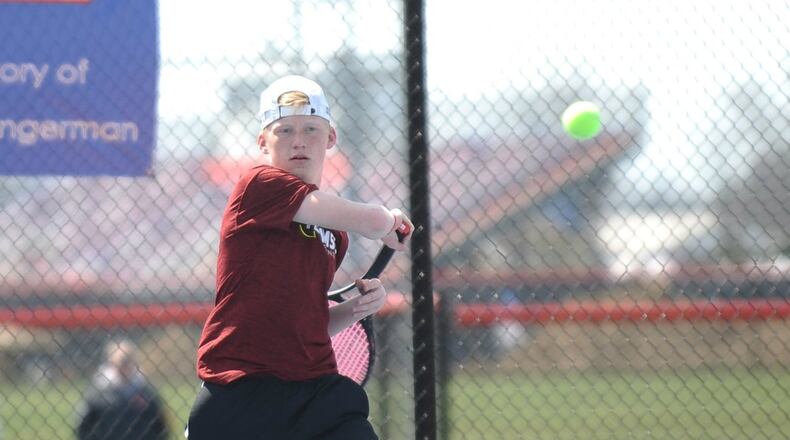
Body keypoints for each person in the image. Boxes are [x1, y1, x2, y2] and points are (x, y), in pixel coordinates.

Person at [186, 74, 412, 439]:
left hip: (316, 393)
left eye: (310, 129)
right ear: (263, 142)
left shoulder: (335, 233)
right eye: (285, 130)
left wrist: (357, 308)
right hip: (242, 387)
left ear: (331, 138)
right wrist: (390, 220)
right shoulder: (259, 185)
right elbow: (372, 221)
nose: (299, 141)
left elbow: (309, 323)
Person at [75, 339, 169, 440]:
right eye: (121, 362)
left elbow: (161, 426)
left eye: (128, 361)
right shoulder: (99, 392)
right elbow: (83, 426)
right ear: (112, 363)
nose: (125, 366)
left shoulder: (145, 392)